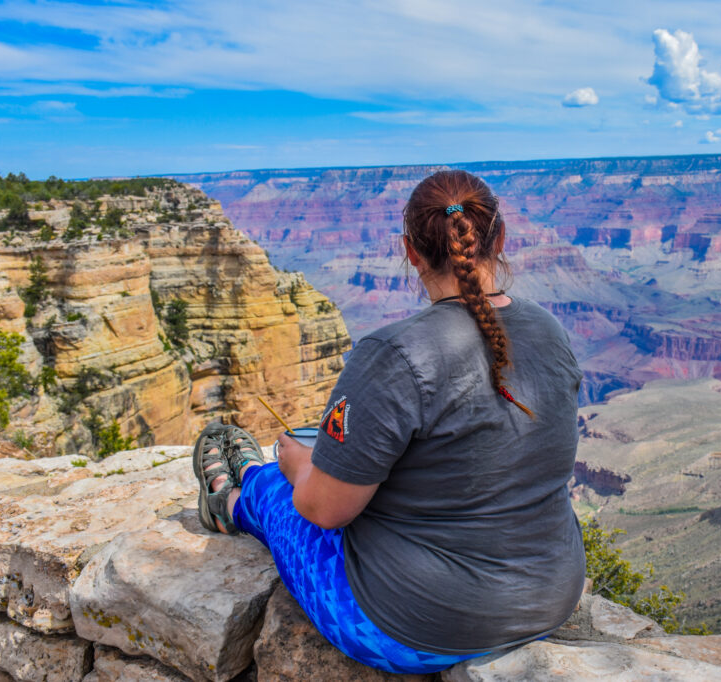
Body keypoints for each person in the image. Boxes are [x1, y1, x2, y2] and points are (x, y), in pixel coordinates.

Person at [193, 169, 585, 674]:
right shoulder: (549, 328)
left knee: (280, 490)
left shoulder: (394, 354)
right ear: (500, 238)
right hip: (550, 598)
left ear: (411, 251)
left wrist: (295, 466)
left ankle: (235, 496)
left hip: (416, 628)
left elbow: (325, 510)